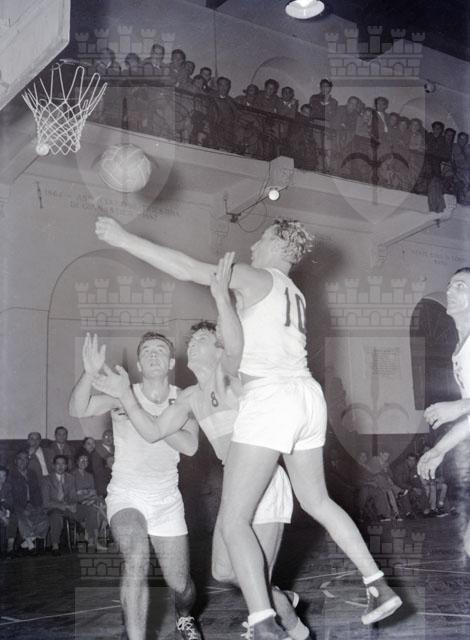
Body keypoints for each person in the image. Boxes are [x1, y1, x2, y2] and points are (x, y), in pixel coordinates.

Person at [94, 216, 403, 639]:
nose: (253, 246)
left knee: (235, 519)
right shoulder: (294, 293)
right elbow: (238, 348)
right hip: (306, 396)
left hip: (271, 397)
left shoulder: (258, 277)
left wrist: (124, 239)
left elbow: (186, 268)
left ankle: (262, 623)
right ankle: (377, 584)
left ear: (278, 243)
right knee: (317, 500)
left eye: (260, 238)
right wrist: (225, 303)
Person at [92, 254, 310, 640]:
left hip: (262, 479)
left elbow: (236, 342)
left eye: (202, 340)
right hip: (236, 483)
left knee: (255, 578)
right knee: (225, 573)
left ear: (220, 349)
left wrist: (223, 299)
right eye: (190, 341)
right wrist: (125, 395)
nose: (191, 345)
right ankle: (283, 605)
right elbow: (153, 431)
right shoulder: (190, 397)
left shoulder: (235, 377)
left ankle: (287, 627)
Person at [69, 332, 202, 640]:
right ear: (139, 364)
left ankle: (185, 616)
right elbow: (77, 408)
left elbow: (190, 446)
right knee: (136, 557)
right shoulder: (123, 393)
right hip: (126, 494)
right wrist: (89, 373)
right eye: (146, 351)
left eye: (160, 350)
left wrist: (143, 415)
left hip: (167, 500)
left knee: (181, 586)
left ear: (171, 363)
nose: (153, 354)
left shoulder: (184, 399)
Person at [418, 268, 470, 555]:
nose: (450, 290)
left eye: (460, 286)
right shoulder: (459, 349)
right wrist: (439, 450)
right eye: (450, 285)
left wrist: (459, 406)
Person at [42, 454, 100, 555]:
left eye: (63, 464)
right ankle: (55, 545)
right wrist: (65, 506)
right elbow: (46, 502)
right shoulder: (46, 479)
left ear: (66, 466)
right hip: (54, 508)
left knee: (90, 509)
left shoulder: (70, 478)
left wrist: (83, 499)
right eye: (58, 464)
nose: (60, 466)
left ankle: (91, 541)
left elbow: (73, 497)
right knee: (56, 515)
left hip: (69, 507)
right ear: (53, 466)